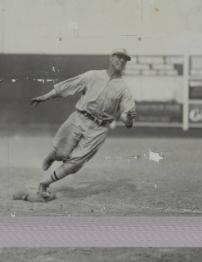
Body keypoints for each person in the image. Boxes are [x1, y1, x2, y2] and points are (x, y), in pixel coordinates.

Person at [22, 48, 136, 201]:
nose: (121, 61)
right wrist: (45, 97)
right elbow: (68, 86)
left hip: (99, 128)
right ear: (111, 58)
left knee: (75, 164)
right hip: (79, 118)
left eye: (125, 59)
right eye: (119, 57)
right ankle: (54, 154)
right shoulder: (93, 75)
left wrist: (128, 118)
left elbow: (126, 119)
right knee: (62, 153)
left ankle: (44, 184)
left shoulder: (124, 89)